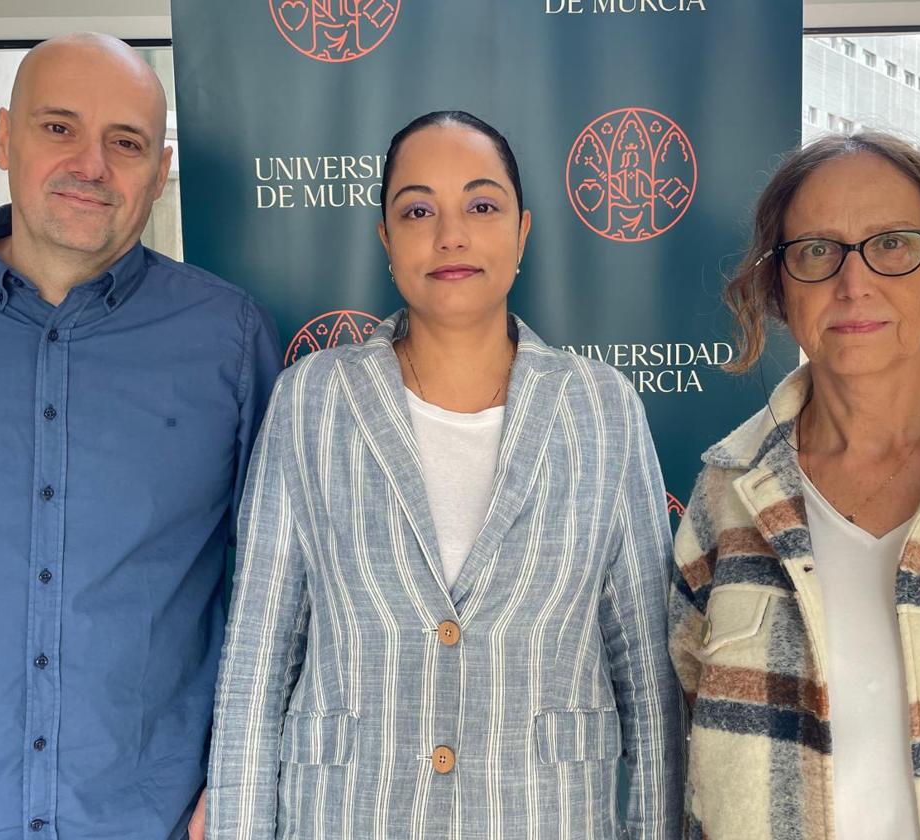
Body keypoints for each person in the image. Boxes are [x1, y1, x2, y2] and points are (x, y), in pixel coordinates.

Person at [206, 110, 681, 839]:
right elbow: (255, 666)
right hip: (348, 817)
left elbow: (650, 680)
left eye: (481, 206)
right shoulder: (314, 400)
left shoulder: (601, 407)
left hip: (547, 816)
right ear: (387, 242)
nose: (450, 233)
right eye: (418, 209)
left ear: (522, 234)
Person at [0, 32, 282, 840]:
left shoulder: (228, 340)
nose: (92, 164)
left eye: (125, 143)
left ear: (158, 172)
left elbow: (281, 592)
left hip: (152, 822)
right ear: (3, 137)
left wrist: (244, 779)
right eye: (58, 127)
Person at [669, 130, 920, 839]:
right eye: (817, 251)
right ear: (778, 286)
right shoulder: (724, 498)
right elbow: (683, 734)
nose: (855, 284)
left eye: (891, 243)